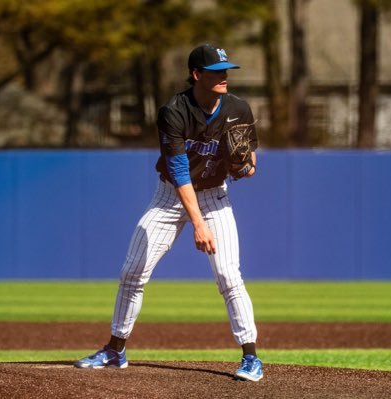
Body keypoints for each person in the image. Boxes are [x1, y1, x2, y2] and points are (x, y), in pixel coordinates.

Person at [74, 44, 263, 382]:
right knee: (132, 271)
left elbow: (250, 161)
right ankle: (116, 349)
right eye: (216, 71)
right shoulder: (173, 111)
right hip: (171, 196)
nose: (224, 76)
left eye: (226, 70)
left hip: (215, 196)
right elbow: (179, 172)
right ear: (196, 75)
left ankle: (251, 357)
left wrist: (245, 166)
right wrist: (198, 224)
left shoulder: (239, 108)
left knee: (228, 275)